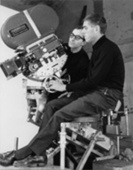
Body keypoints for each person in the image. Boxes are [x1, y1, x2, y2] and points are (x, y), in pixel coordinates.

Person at [0, 13, 125, 167]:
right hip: (95, 92)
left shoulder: (107, 49)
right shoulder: (98, 48)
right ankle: (40, 154)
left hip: (106, 95)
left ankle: (22, 153)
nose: (83, 33)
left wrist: (64, 87)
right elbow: (91, 81)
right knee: (52, 106)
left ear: (97, 29)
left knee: (60, 114)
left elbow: (93, 81)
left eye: (85, 29)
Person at [34, 26, 90, 124]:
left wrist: (65, 88)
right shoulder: (62, 48)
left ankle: (45, 134)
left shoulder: (83, 61)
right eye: (72, 35)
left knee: (51, 106)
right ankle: (40, 123)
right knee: (41, 102)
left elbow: (81, 85)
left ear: (83, 42)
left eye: (77, 37)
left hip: (68, 92)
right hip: (53, 87)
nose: (72, 38)